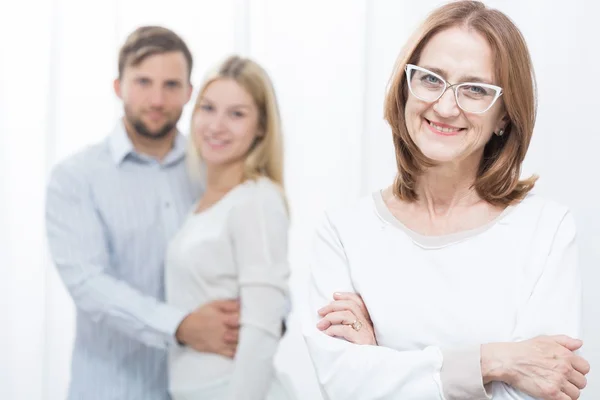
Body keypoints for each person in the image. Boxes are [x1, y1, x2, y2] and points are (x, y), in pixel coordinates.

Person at [302, 1, 590, 400]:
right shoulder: (345, 232)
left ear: (504, 116)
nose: (445, 105)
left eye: (475, 89)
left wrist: (381, 362)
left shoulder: (546, 230)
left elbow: (540, 391)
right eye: (431, 79)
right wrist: (494, 362)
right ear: (406, 87)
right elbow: (344, 385)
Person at [45, 26, 241, 400]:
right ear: (118, 86)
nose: (156, 99)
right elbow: (88, 283)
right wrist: (180, 325)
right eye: (143, 82)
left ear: (189, 92)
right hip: (112, 388)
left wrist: (265, 317)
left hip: (207, 387)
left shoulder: (216, 172)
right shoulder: (76, 178)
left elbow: (252, 260)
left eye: (171, 85)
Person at [165, 55, 295, 400]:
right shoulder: (204, 204)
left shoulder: (256, 201)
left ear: (262, 127)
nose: (216, 125)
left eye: (237, 114)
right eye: (208, 108)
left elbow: (262, 330)